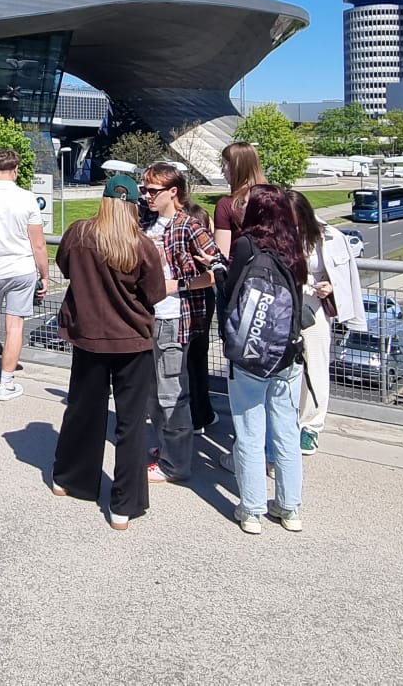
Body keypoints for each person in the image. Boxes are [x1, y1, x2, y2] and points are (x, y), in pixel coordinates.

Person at [49, 173, 166, 529]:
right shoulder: (141, 245)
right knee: (131, 424)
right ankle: (123, 505)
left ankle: (70, 479)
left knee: (83, 409)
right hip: (131, 340)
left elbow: (64, 267)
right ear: (132, 205)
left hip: (89, 336)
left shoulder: (78, 233)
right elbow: (155, 293)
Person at [221, 184, 310, 534]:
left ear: (256, 211)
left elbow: (231, 291)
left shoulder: (247, 244)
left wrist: (218, 270)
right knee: (286, 431)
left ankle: (252, 509)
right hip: (287, 351)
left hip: (250, 352)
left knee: (249, 430)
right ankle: (289, 507)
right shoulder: (294, 246)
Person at [139, 162, 224, 484]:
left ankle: (176, 464)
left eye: (152, 190)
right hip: (147, 317)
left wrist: (178, 285)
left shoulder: (189, 226)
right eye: (143, 189)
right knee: (152, 391)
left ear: (172, 191)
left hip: (175, 318)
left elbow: (218, 271)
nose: (146, 195)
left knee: (172, 393)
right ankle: (167, 447)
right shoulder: (144, 221)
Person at [0, 146, 48, 402]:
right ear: (16, 169)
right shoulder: (27, 198)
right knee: (15, 326)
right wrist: (44, 275)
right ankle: (6, 383)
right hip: (22, 268)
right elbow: (38, 244)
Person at [290, 189, 367, 455]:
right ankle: (287, 419)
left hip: (314, 307)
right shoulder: (278, 234)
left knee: (316, 365)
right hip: (286, 305)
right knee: (286, 367)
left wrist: (330, 287)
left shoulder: (330, 236)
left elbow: (343, 277)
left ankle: (311, 425)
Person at [201, 140, 267, 428]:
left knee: (240, 365)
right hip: (274, 291)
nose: (223, 170)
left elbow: (221, 256)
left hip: (239, 292)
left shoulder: (227, 205)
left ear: (236, 167)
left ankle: (247, 435)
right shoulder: (276, 199)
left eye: (225, 165)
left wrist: (208, 260)